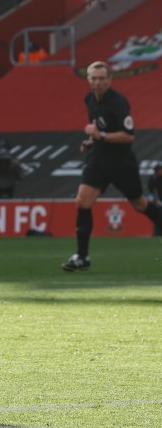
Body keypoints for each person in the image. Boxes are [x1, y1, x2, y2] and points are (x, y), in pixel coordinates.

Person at [62, 61, 162, 271]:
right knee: (82, 201)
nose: (97, 82)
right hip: (99, 159)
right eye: (93, 78)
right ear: (88, 79)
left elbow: (128, 136)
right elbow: (98, 131)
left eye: (101, 78)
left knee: (140, 205)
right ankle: (82, 257)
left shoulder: (118, 103)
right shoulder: (89, 99)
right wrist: (91, 142)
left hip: (121, 162)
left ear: (109, 80)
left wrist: (101, 135)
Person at [145, 164, 162, 236]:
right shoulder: (153, 178)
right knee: (159, 216)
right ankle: (157, 234)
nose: (160, 172)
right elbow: (150, 189)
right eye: (159, 170)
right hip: (159, 201)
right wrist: (151, 198)